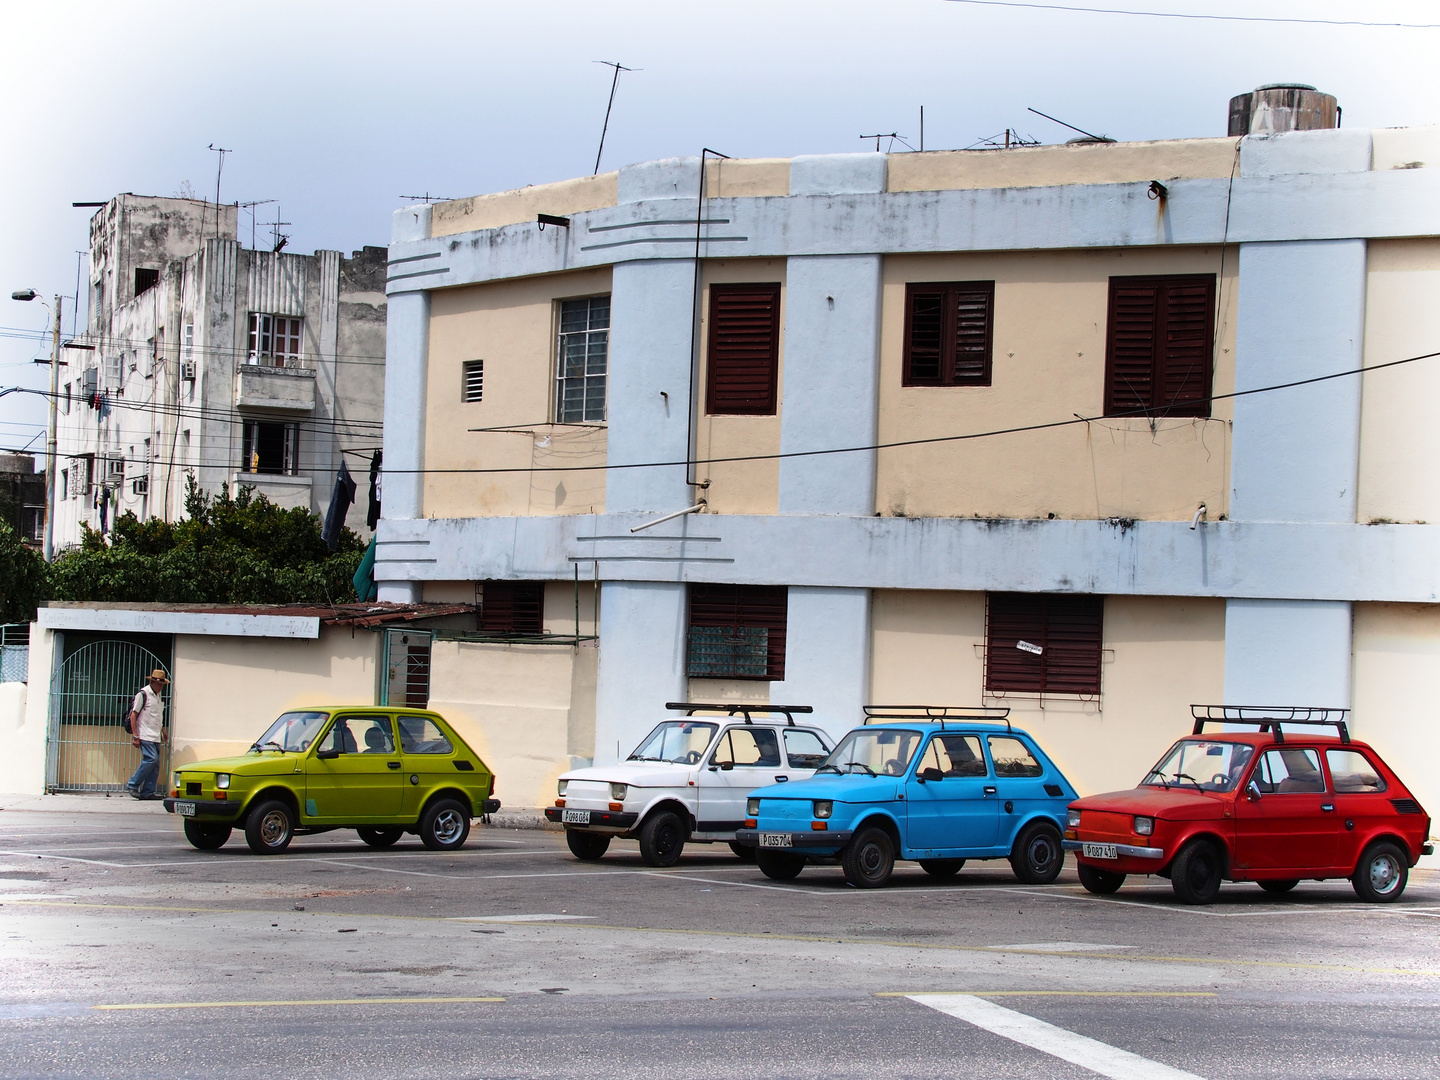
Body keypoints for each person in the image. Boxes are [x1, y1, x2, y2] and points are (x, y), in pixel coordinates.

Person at [125, 669, 170, 800]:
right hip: (145, 734)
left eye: (162, 685)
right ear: (152, 682)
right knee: (151, 759)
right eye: (158, 684)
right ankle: (133, 784)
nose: (160, 687)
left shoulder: (157, 695)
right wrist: (135, 736)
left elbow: (156, 716)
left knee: (155, 764)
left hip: (155, 734)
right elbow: (134, 715)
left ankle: (148, 792)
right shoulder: (143, 694)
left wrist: (162, 732)